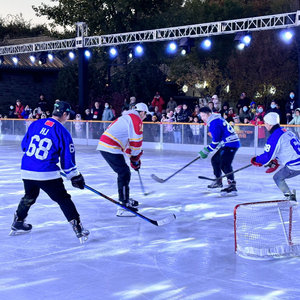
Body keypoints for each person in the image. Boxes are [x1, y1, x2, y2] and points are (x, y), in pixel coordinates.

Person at [9, 101, 89, 243]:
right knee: (63, 199)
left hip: (27, 170)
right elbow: (67, 160)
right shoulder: (62, 131)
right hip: (46, 173)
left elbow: (24, 146)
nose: (68, 118)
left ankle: (18, 221)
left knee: (29, 195)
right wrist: (75, 176)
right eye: (68, 115)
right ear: (64, 114)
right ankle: (78, 228)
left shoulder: (36, 124)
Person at [97, 103, 150, 217]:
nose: (145, 117)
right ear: (142, 112)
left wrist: (133, 158)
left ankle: (125, 198)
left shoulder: (128, 117)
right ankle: (123, 205)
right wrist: (135, 158)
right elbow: (136, 142)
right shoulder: (136, 119)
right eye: (145, 114)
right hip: (110, 146)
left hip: (110, 146)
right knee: (124, 172)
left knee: (124, 172)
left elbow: (128, 143)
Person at [251, 112, 300, 201]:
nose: (264, 125)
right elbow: (285, 149)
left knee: (277, 178)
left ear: (270, 124)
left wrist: (257, 159)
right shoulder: (286, 131)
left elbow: (267, 157)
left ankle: (289, 196)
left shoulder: (275, 136)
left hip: (295, 165)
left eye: (265, 123)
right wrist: (276, 159)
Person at [199, 106, 241, 196]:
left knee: (225, 164)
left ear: (209, 114)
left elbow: (215, 141)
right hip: (227, 144)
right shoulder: (215, 119)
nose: (202, 118)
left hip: (230, 144)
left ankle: (232, 185)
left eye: (203, 116)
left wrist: (206, 150)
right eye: (201, 116)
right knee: (215, 160)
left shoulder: (214, 122)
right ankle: (218, 181)